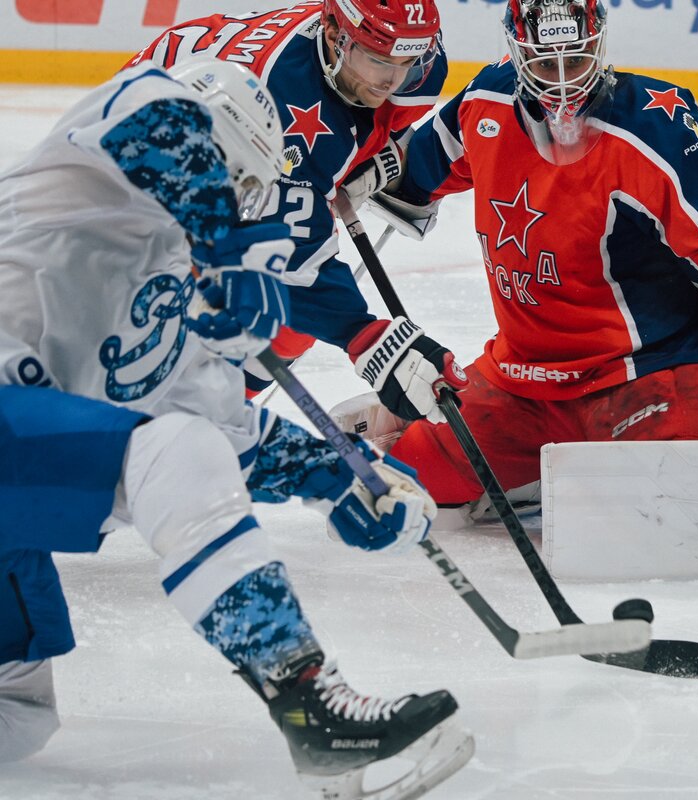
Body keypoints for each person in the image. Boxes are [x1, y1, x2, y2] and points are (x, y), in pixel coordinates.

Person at [0, 58, 473, 798]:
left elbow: (224, 438)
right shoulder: (93, 163)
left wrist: (343, 475)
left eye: (247, 189)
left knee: (18, 715)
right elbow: (167, 124)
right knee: (169, 446)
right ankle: (312, 708)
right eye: (234, 178)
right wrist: (225, 253)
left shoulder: (185, 306)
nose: (239, 202)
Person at [338, 0, 698, 510]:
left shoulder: (651, 124)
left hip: (657, 370)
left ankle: (563, 468)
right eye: (546, 63)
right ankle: (529, 469)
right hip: (526, 379)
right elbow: (411, 171)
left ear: (598, 44)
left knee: (674, 504)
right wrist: (345, 172)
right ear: (518, 53)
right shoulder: (486, 100)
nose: (564, 80)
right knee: (406, 484)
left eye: (576, 58)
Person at [126, 0, 468, 425]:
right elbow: (294, 263)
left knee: (288, 322)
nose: (394, 79)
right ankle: (171, 417)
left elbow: (374, 114)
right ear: (334, 35)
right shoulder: (285, 107)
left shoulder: (412, 62)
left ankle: (208, 412)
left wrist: (357, 160)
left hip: (249, 131)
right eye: (380, 61)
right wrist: (367, 338)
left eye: (408, 63)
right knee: (246, 307)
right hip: (150, 162)